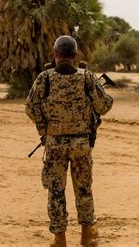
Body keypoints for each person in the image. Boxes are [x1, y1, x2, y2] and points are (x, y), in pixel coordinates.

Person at [25, 36, 113, 246]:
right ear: (74, 56)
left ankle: (59, 238)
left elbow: (30, 107)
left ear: (55, 55)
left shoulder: (44, 78)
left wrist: (43, 126)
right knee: (83, 188)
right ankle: (87, 234)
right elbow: (104, 106)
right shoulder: (87, 78)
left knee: (56, 191)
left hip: (54, 144)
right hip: (81, 144)